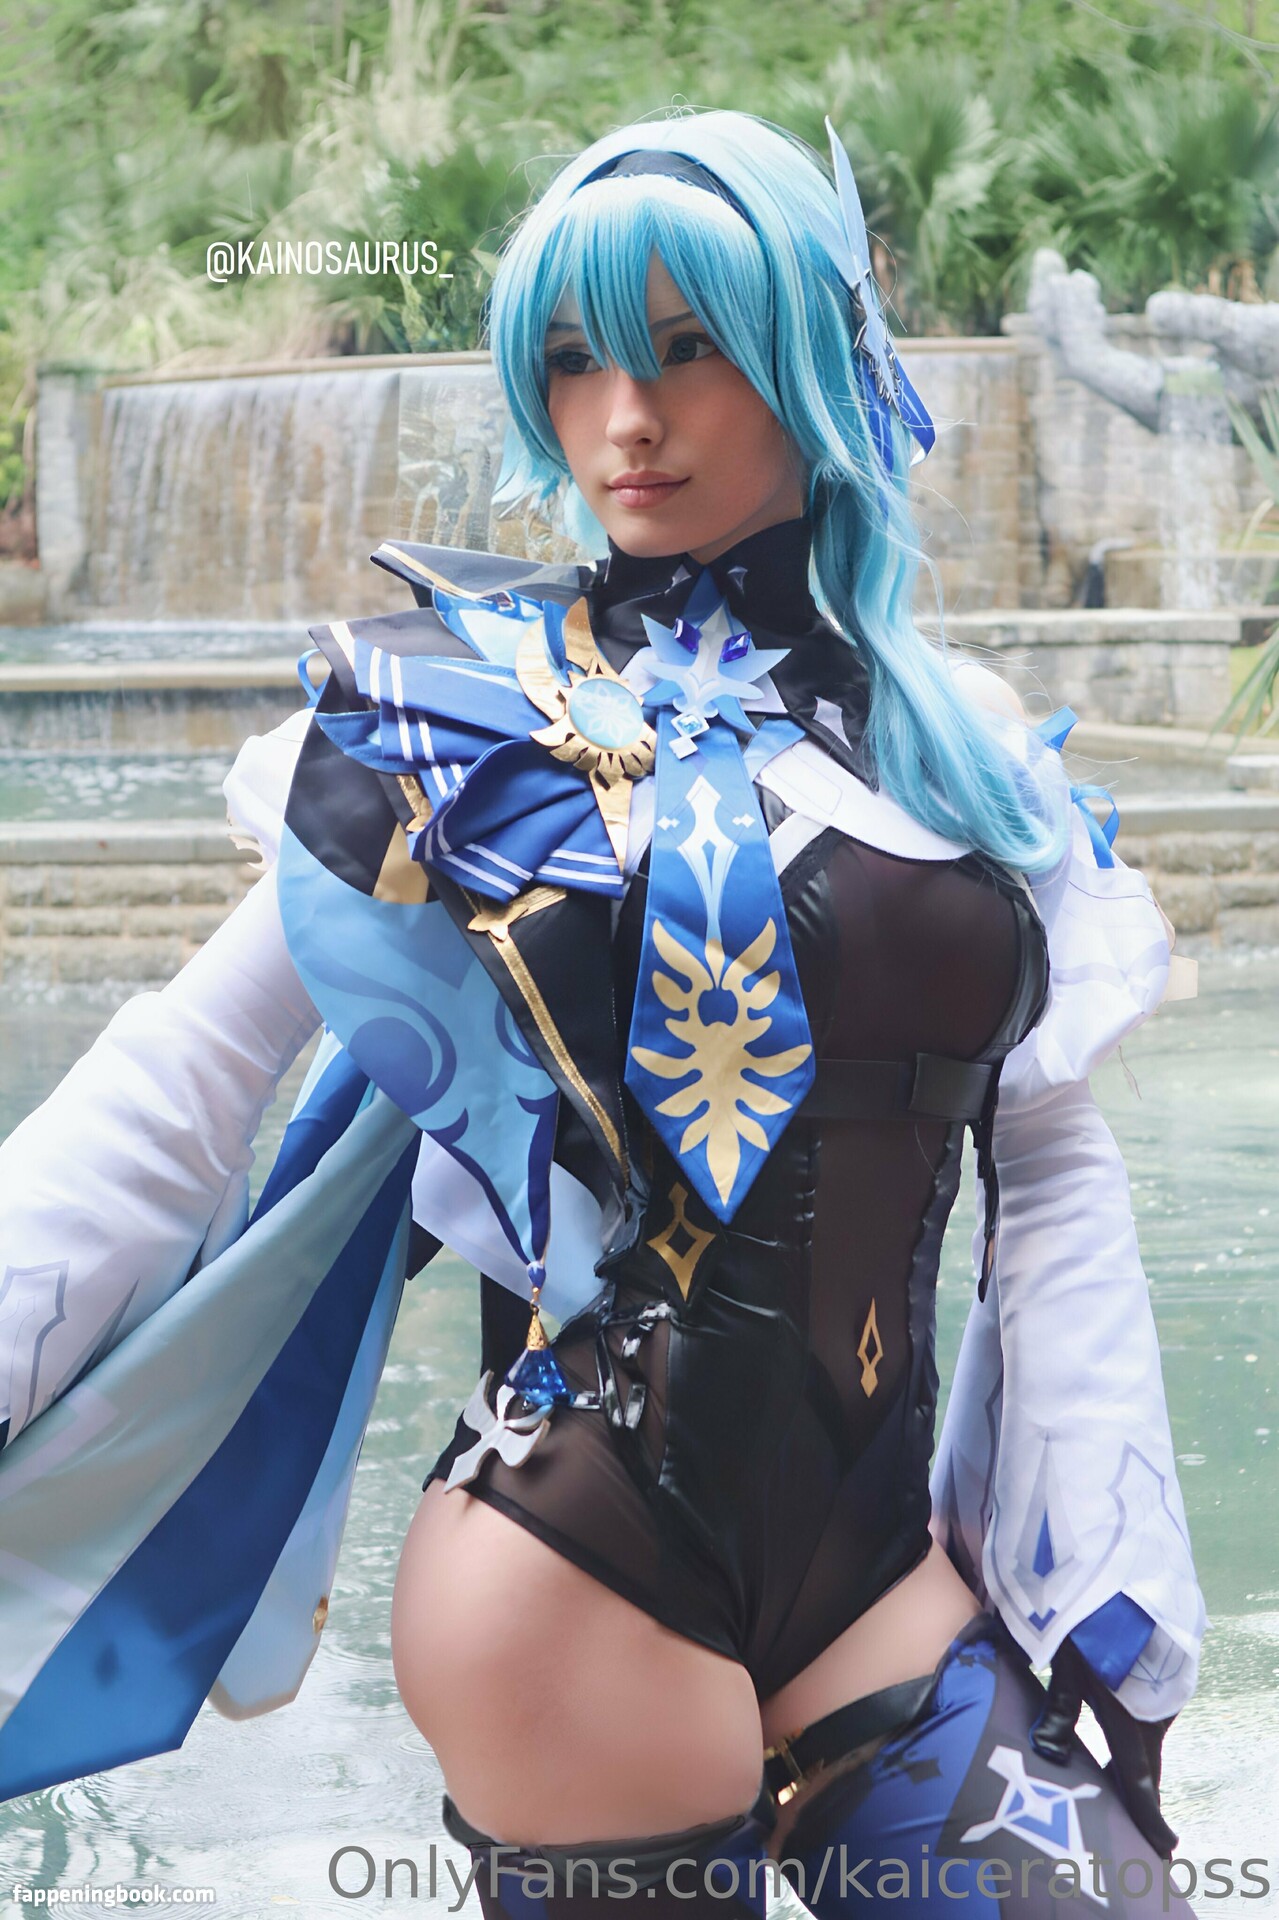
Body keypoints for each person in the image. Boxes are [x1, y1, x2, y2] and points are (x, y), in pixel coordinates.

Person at [0, 111, 1204, 1918]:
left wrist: (1109, 1576)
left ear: (811, 359)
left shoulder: (956, 748)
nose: (624, 418)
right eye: (574, 362)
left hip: (877, 1574)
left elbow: (1048, 1170)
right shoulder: (454, 720)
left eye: (687, 349)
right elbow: (190, 1077)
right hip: (576, 1569)